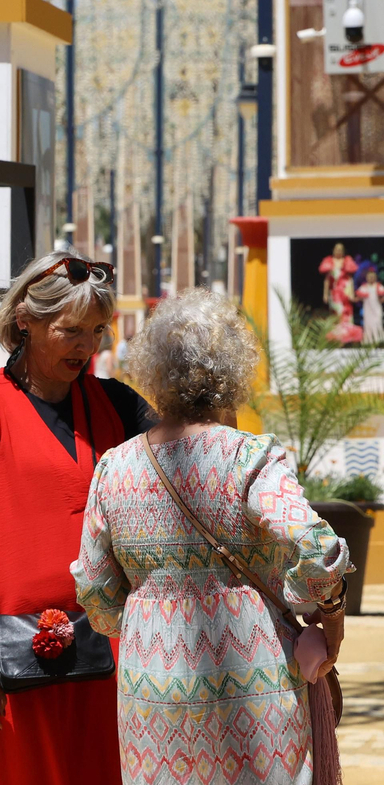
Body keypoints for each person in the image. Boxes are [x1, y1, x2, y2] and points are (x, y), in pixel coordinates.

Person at [72, 289, 350, 785]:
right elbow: (319, 547)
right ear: (234, 369)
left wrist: (144, 619)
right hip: (253, 685)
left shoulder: (114, 466)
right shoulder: (250, 458)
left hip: (150, 695)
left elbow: (95, 591)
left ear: (154, 371)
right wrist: (325, 616)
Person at [0, 251, 151, 785]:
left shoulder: (116, 404)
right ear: (26, 322)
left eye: (98, 331)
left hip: (108, 659)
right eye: (70, 331)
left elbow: (193, 446)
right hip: (14, 660)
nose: (87, 347)